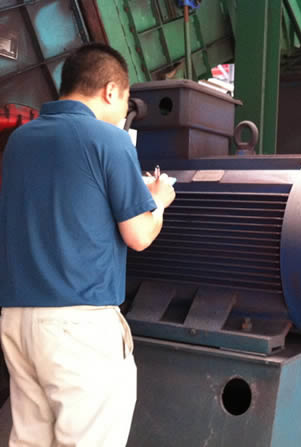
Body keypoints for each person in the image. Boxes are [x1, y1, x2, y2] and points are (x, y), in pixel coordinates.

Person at [0, 43, 175, 446]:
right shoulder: (110, 140)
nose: (123, 110)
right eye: (126, 100)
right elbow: (139, 235)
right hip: (78, 327)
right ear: (111, 91)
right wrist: (159, 202)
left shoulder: (20, 141)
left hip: (18, 320)